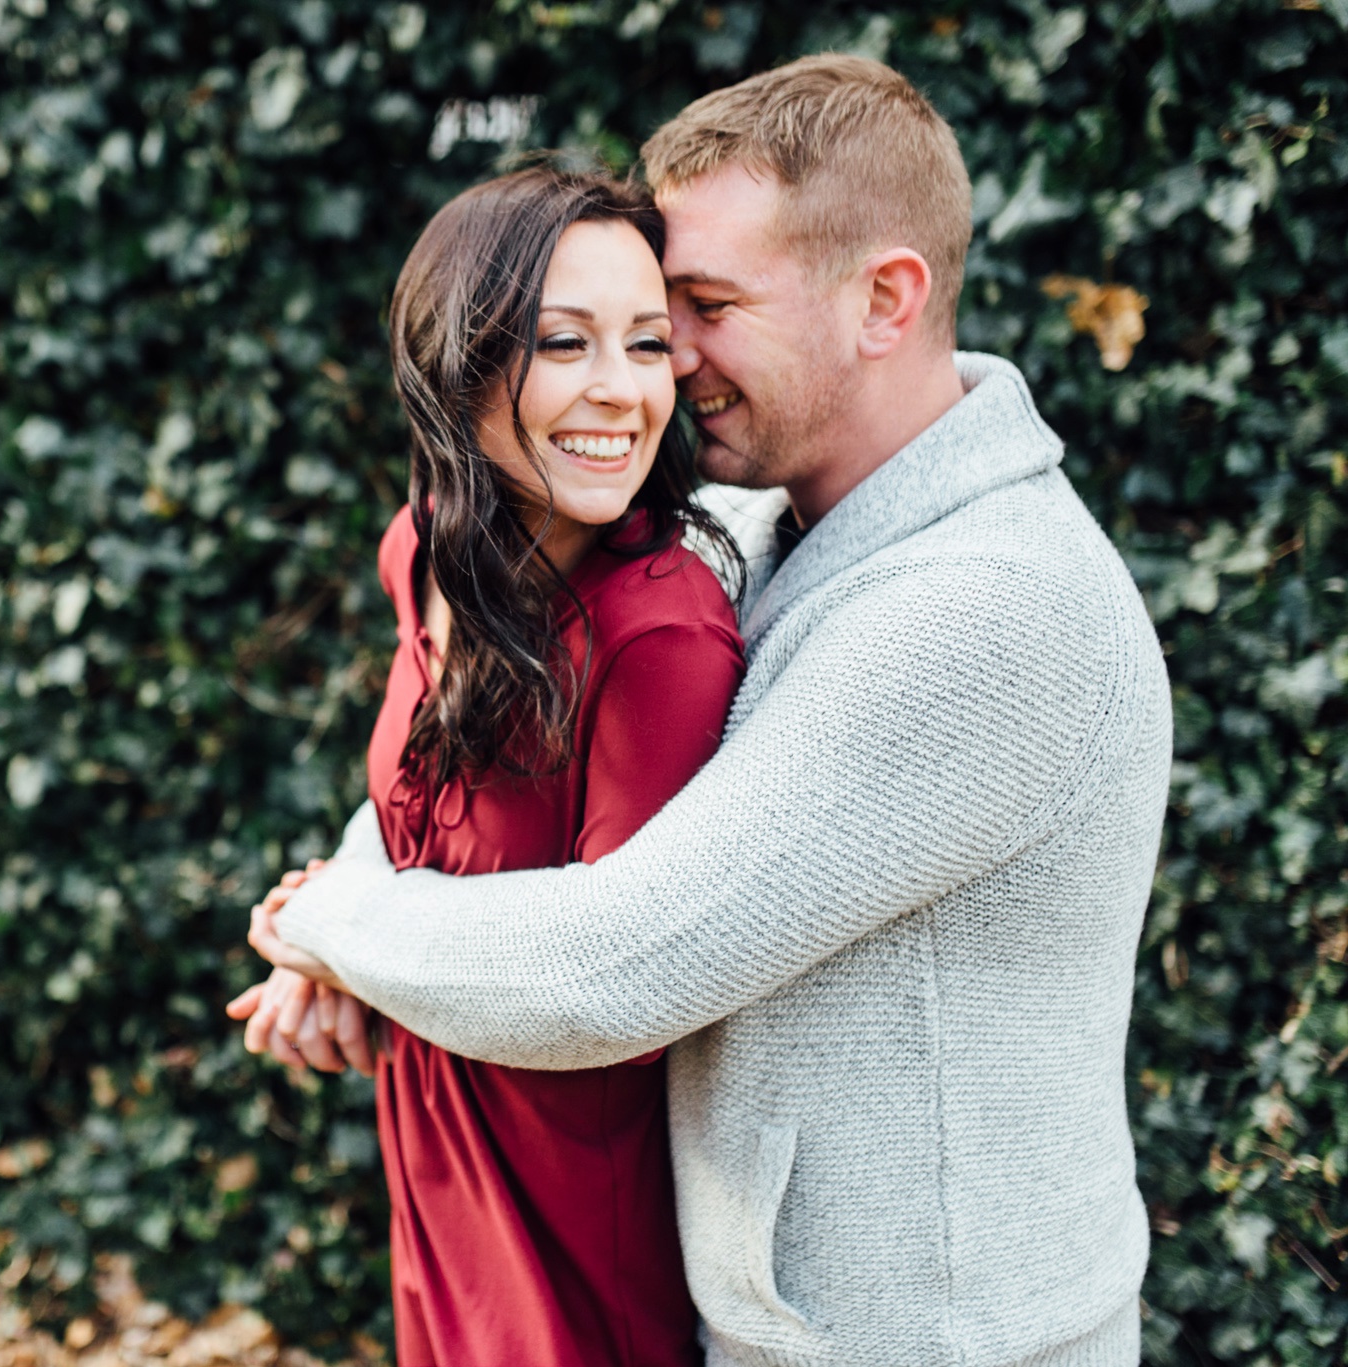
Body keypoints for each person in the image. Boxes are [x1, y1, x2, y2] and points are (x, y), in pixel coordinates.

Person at [243, 55, 1173, 1367]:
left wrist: (332, 920)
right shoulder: (755, 519)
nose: (663, 355)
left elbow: (615, 965)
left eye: (708, 303)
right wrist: (343, 919)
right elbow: (478, 736)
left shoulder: (986, 607)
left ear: (886, 300)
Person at [229, 165, 745, 1366]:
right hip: (436, 1180)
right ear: (458, 364)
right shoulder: (423, 552)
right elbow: (416, 812)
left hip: (573, 1245)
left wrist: (343, 935)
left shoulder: (654, 631)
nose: (620, 390)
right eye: (563, 342)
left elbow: (611, 989)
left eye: (646, 342)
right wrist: (341, 959)